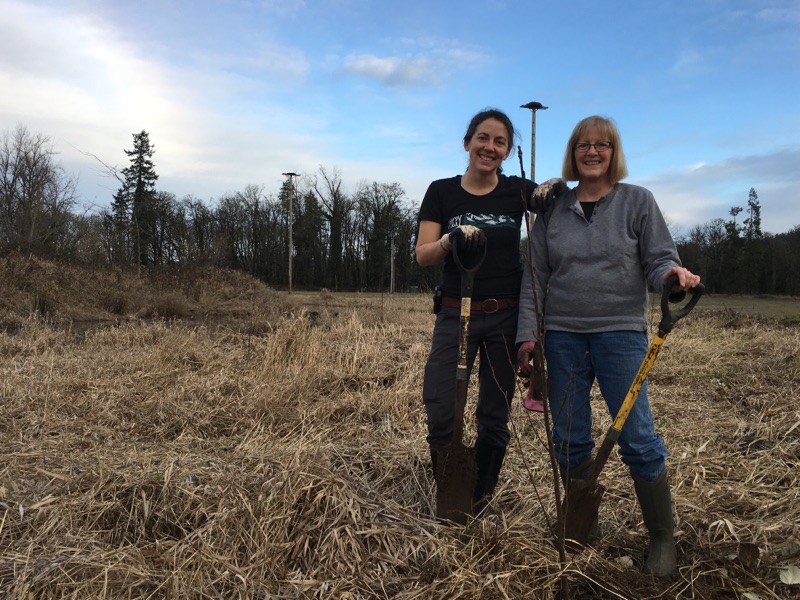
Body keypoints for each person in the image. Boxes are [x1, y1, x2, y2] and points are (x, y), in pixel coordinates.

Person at [516, 115, 701, 577]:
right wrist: (527, 337)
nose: (592, 152)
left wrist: (672, 276)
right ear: (573, 152)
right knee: (570, 436)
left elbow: (659, 258)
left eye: (602, 145)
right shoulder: (553, 208)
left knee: (638, 437)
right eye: (583, 145)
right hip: (561, 337)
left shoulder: (637, 201)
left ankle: (661, 536)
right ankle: (585, 526)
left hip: (621, 334)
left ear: (613, 151)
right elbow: (534, 278)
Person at [416, 108, 553, 517]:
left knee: (494, 414)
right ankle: (450, 488)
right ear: (467, 143)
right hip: (456, 314)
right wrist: (448, 241)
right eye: (482, 138)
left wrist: (554, 190)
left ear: (507, 151)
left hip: (505, 316)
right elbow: (422, 254)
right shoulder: (441, 191)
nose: (489, 147)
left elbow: (561, 203)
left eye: (499, 142)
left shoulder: (516, 191)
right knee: (441, 405)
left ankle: (480, 497)